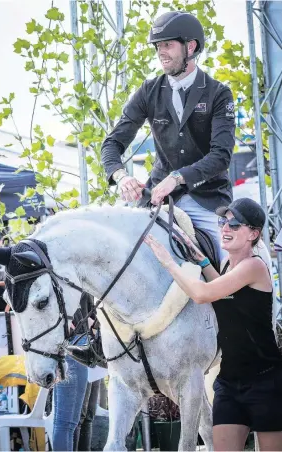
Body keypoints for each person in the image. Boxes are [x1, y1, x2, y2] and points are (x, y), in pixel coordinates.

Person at [144, 197, 282, 451]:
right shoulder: (230, 265)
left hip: (265, 381)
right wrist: (203, 262)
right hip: (230, 381)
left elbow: (203, 294)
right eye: (222, 222)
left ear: (253, 234)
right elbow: (224, 292)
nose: (225, 228)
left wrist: (169, 263)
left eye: (234, 224)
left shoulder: (254, 266)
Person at [101, 10, 235, 259]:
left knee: (230, 261)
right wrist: (121, 177)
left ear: (191, 47)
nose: (161, 52)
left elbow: (221, 156)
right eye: (158, 46)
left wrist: (177, 178)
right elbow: (113, 143)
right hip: (158, 200)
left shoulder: (218, 93)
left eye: (168, 45)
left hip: (207, 200)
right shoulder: (148, 91)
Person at [53, 292, 99, 451]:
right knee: (67, 422)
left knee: (86, 416)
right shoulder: (60, 268)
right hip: (74, 340)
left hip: (87, 337)